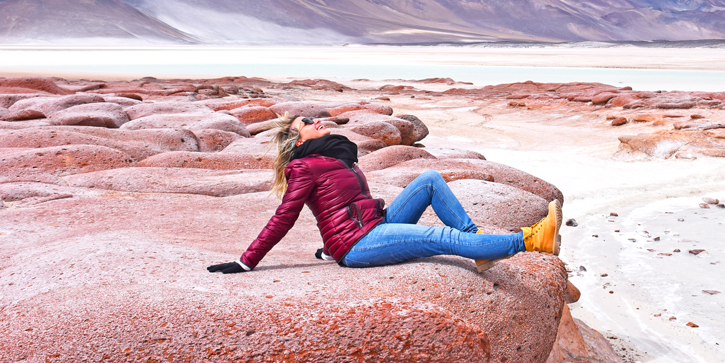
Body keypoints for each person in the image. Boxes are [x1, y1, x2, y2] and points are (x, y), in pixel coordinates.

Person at [207, 114, 561, 275]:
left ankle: (478, 244)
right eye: (306, 123)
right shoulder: (303, 167)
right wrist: (247, 260)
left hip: (374, 226)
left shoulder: (334, 155)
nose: (316, 121)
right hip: (359, 244)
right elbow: (285, 216)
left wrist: (326, 247)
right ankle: (527, 241)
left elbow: (341, 207)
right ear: (299, 140)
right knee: (439, 238)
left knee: (429, 179)